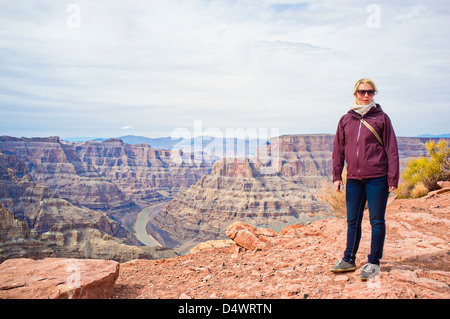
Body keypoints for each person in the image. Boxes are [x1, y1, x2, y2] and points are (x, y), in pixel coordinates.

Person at [330, 78, 399, 281]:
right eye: (362, 92)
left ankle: (374, 262)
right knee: (353, 221)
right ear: (355, 94)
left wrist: (392, 177)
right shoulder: (345, 119)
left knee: (377, 221)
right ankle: (348, 259)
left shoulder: (382, 118)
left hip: (377, 178)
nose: (366, 95)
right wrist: (336, 176)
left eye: (370, 92)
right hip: (353, 178)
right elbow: (338, 150)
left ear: (373, 94)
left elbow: (391, 149)